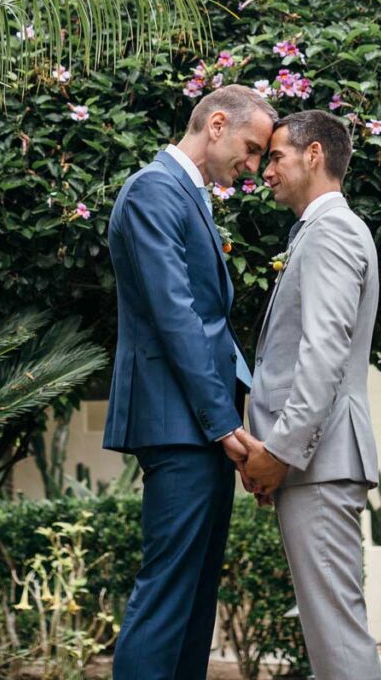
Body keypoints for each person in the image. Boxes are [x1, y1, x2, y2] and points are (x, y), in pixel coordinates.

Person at [102, 85, 276, 680]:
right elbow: (177, 316)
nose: (252, 167)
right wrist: (224, 422)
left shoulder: (187, 195)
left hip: (197, 424)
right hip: (182, 425)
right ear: (218, 123)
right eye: (251, 150)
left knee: (195, 597)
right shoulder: (154, 189)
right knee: (169, 595)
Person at [235, 109, 381, 680]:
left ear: (313, 155)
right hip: (314, 463)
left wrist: (280, 453)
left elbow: (322, 355)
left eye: (275, 157)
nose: (264, 171)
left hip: (319, 461)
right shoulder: (316, 234)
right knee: (329, 635)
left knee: (337, 637)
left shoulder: (333, 231)